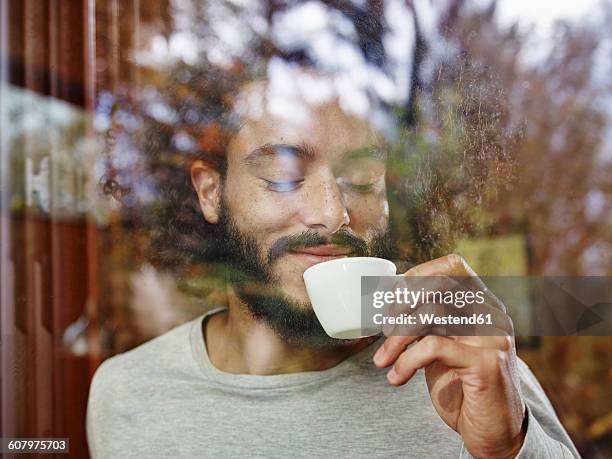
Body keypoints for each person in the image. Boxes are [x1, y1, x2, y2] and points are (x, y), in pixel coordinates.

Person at [86, 69, 579, 458]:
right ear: (211, 193)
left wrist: (506, 449)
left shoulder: (469, 371)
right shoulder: (127, 393)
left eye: (363, 178)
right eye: (281, 173)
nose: (331, 213)